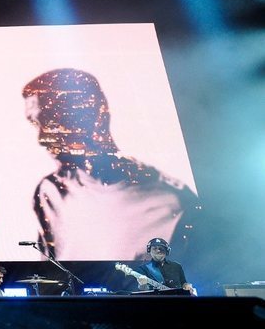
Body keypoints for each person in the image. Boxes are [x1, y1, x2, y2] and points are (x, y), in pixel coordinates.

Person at [22, 68, 197, 261]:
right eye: (35, 124)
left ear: (92, 116)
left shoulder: (173, 201)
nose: (42, 138)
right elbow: (48, 276)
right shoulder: (51, 192)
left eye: (49, 121)